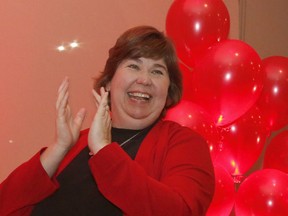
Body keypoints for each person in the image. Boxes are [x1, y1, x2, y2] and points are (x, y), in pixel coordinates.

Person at [0, 26, 215, 216]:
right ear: (110, 82)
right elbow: (5, 204)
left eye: (157, 71)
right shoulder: (76, 142)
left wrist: (104, 151)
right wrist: (59, 147)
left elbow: (180, 211)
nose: (144, 79)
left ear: (169, 92)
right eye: (133, 66)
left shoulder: (184, 144)